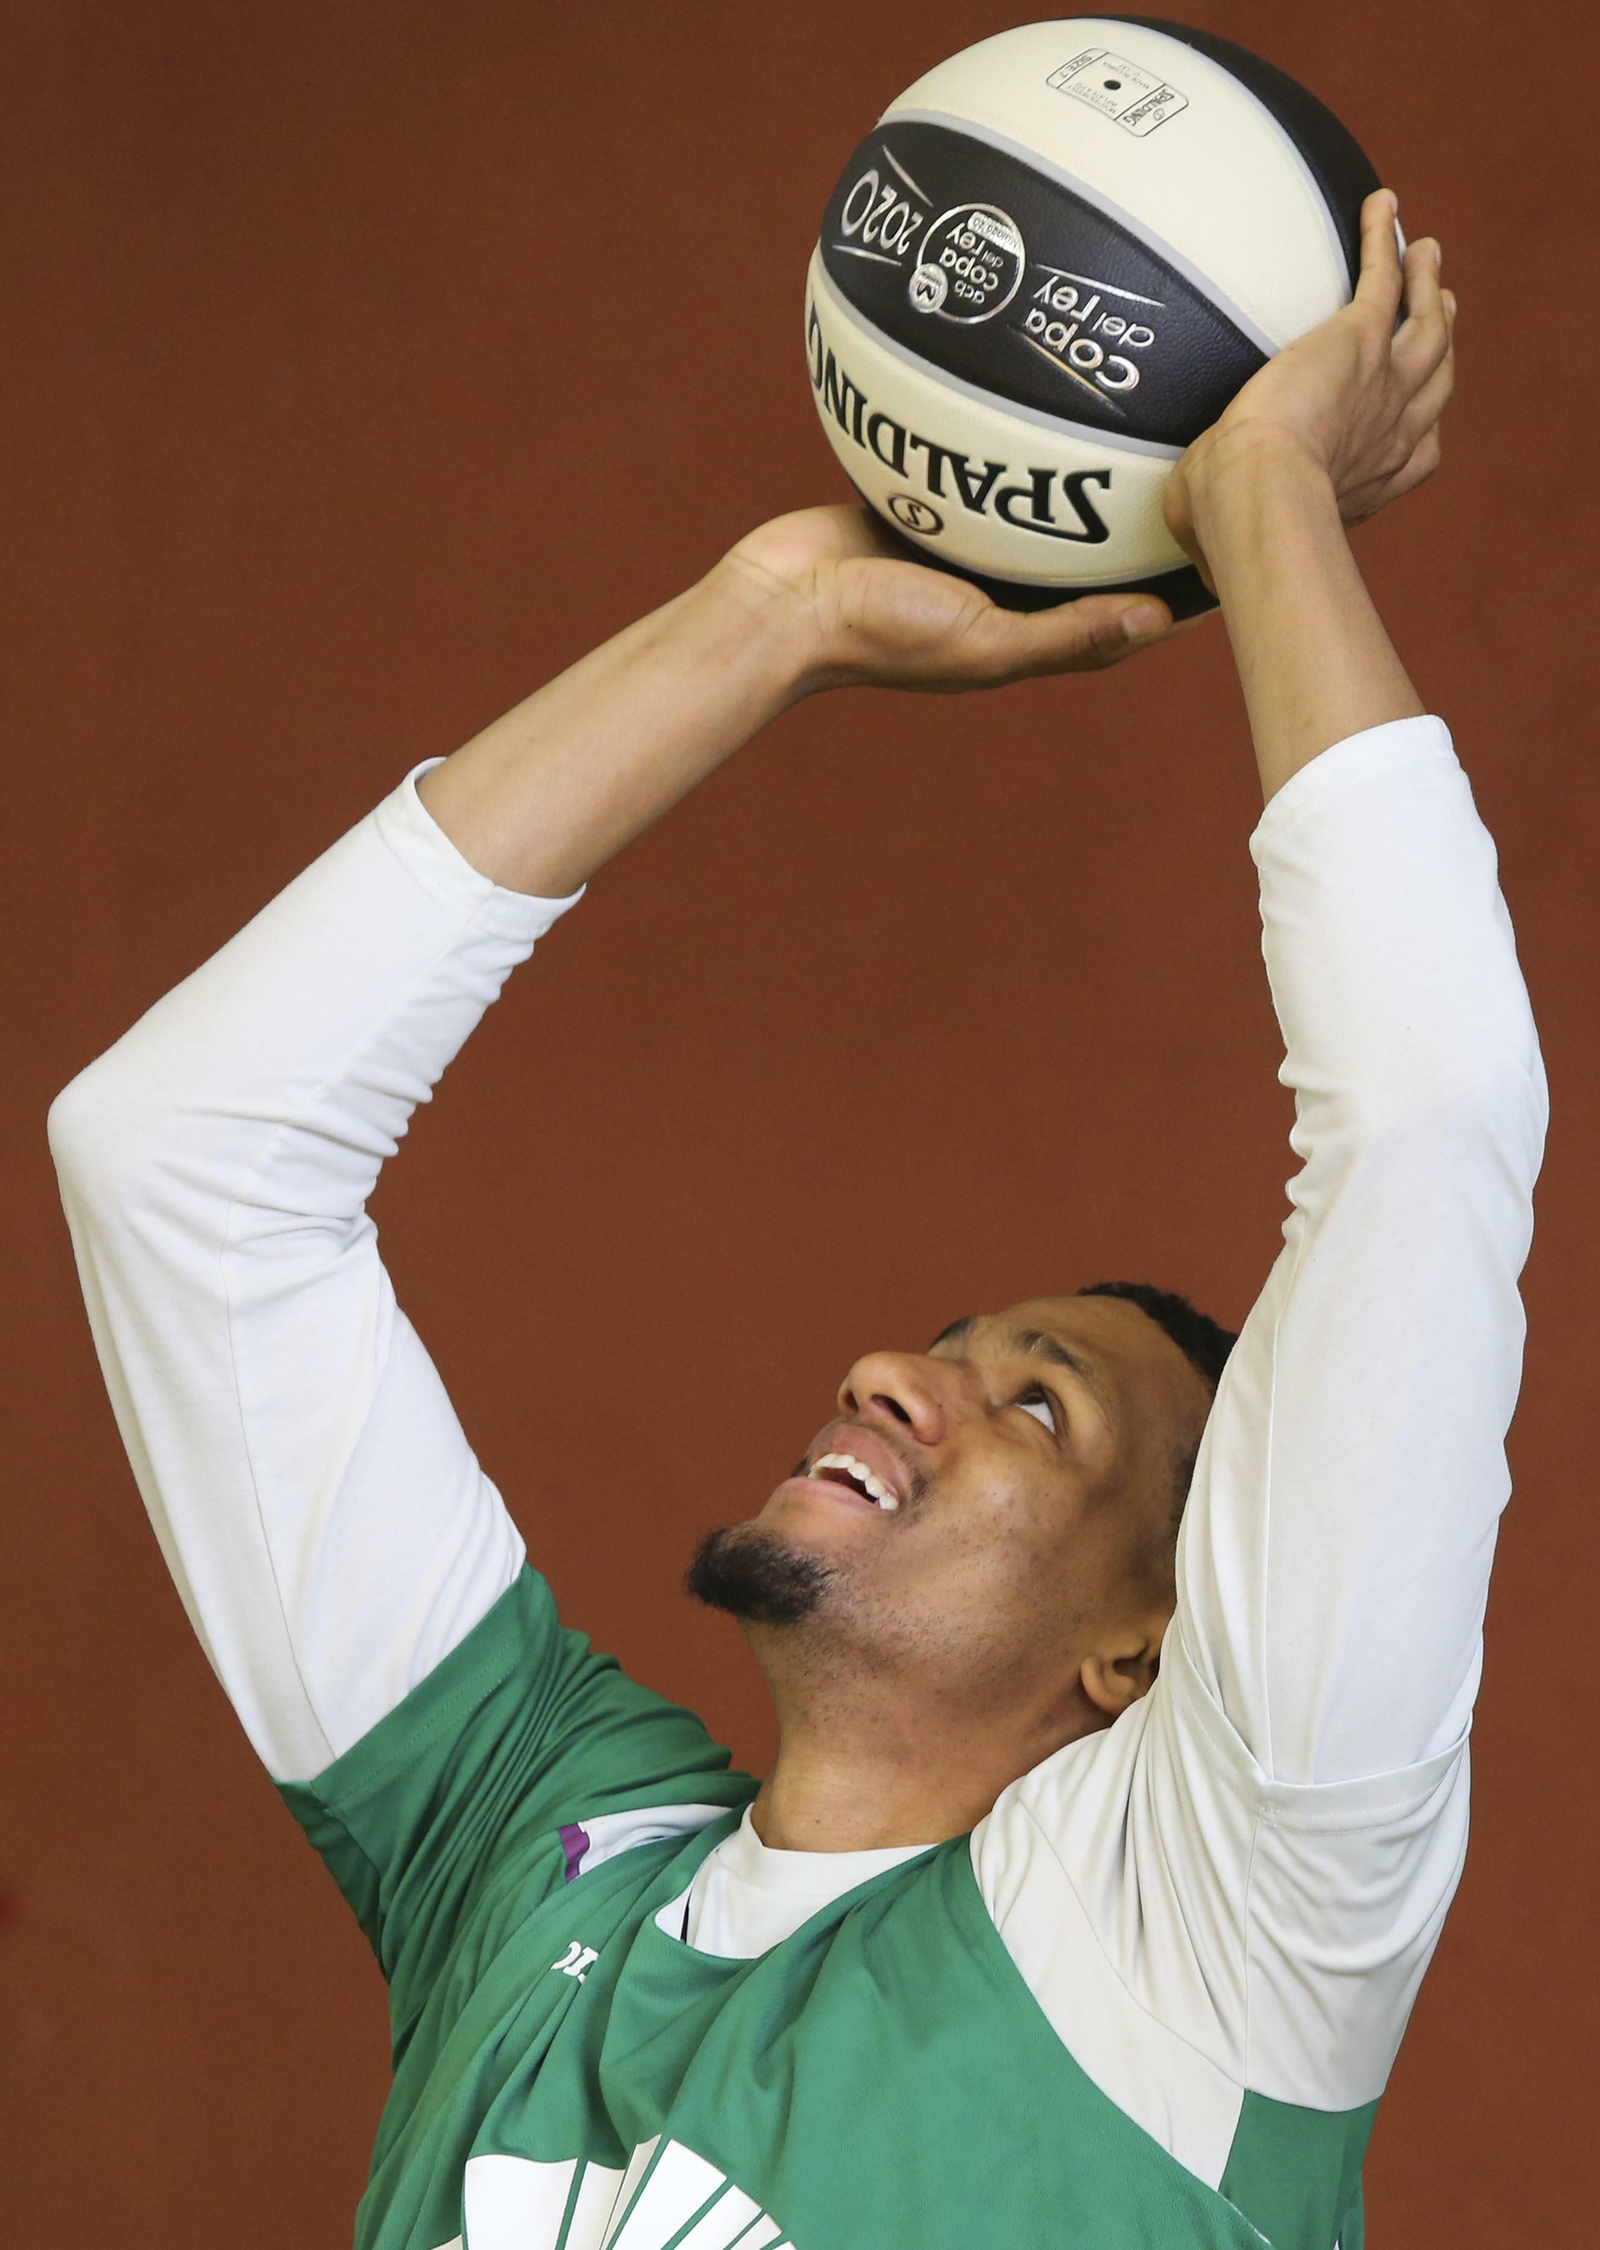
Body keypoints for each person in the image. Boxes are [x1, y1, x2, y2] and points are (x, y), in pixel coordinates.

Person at [47, 190, 1542, 2250]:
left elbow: (1427, 1116)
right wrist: (766, 618)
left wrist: (1261, 489)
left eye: (1037, 1411)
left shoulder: (1205, 1936)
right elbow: (179, 1154)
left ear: (1147, 1650)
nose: (895, 1373)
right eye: (946, 1343)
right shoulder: (534, 1845)